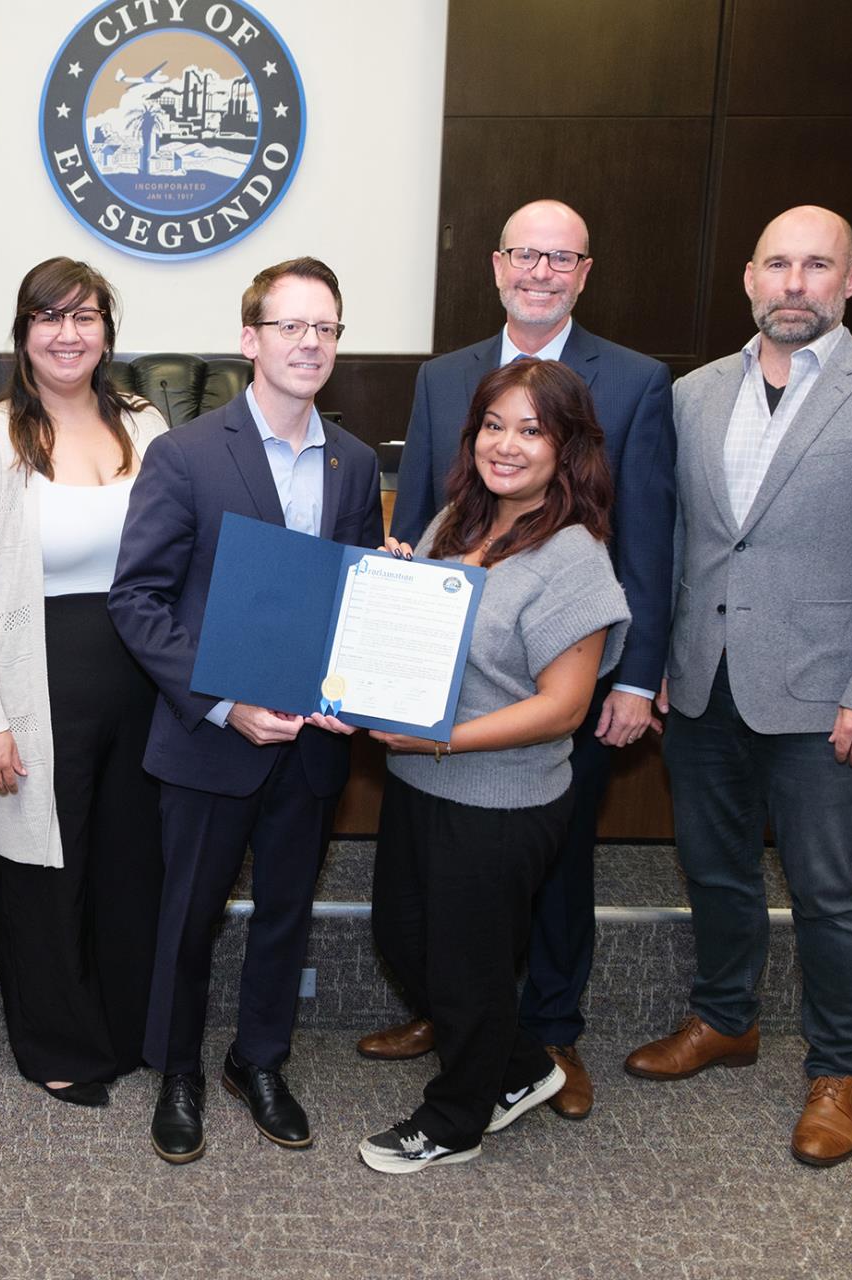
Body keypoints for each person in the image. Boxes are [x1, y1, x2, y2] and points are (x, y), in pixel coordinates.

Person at [625, 205, 852, 1167]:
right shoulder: (690, 396)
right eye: (779, 265)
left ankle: (838, 1067)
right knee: (715, 870)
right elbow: (674, 546)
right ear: (749, 278)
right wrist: (649, 672)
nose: (795, 284)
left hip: (828, 695)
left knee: (827, 888)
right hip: (703, 686)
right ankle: (725, 1018)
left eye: (818, 266)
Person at [360, 199, 674, 1118]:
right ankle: (463, 1015)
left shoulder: (637, 380)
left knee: (556, 864)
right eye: (523, 255)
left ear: (585, 271)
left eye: (560, 257)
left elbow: (648, 539)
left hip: (560, 668)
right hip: (446, 681)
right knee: (438, 902)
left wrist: (635, 672)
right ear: (496, 265)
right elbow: (423, 510)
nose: (539, 271)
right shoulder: (444, 376)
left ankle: (549, 1034)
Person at [110, 257, 381, 1164]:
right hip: (212, 740)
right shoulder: (186, 454)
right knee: (188, 915)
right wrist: (225, 704)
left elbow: (343, 600)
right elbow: (137, 600)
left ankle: (259, 1060)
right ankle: (178, 1068)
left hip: (311, 747)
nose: (308, 343)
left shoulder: (352, 461)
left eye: (325, 328)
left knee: (286, 913)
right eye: (290, 326)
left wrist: (362, 667)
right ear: (250, 339)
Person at [356, 359, 630, 1175]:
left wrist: (439, 741)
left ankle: (455, 1119)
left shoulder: (574, 556)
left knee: (467, 970)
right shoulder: (453, 521)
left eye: (532, 430)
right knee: (403, 940)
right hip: (416, 784)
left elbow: (565, 708)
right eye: (493, 425)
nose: (506, 445)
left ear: (568, 447)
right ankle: (521, 1069)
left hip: (502, 801)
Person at [0, 257, 167, 1108]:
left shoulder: (145, 425)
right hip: (35, 686)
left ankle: (125, 1028)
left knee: (130, 866)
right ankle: (58, 1044)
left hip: (144, 686)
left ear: (108, 330)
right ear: (23, 333)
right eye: (48, 317)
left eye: (85, 317)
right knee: (42, 875)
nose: (68, 334)